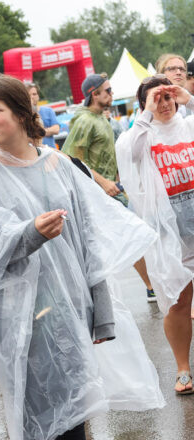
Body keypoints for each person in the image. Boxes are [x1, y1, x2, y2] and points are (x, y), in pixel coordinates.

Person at [0, 74, 163, 440]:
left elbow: (88, 239)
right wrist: (30, 233)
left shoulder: (59, 165)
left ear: (21, 113)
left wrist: (102, 312)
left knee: (76, 410)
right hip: (22, 315)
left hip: (70, 308)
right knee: (37, 414)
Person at [116, 75, 194, 394]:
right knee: (178, 301)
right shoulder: (140, 135)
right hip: (169, 230)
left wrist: (188, 97)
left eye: (167, 97)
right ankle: (183, 368)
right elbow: (130, 155)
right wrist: (146, 115)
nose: (163, 103)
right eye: (155, 99)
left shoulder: (188, 125)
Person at [62, 73, 155, 302]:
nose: (112, 94)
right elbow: (70, 157)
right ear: (95, 94)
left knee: (133, 235)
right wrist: (102, 183)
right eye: (109, 90)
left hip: (111, 190)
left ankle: (149, 285)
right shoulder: (84, 121)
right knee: (131, 235)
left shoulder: (101, 118)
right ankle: (149, 286)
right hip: (94, 193)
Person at [156, 53, 192, 117]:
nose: (178, 72)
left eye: (182, 69)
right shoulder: (154, 100)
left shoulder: (189, 98)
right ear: (161, 73)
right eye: (172, 69)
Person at [26, 83, 60, 148]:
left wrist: (36, 132)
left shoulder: (48, 111)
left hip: (51, 151)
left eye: (34, 94)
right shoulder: (23, 115)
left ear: (38, 96)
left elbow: (56, 129)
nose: (32, 97)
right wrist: (47, 131)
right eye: (28, 95)